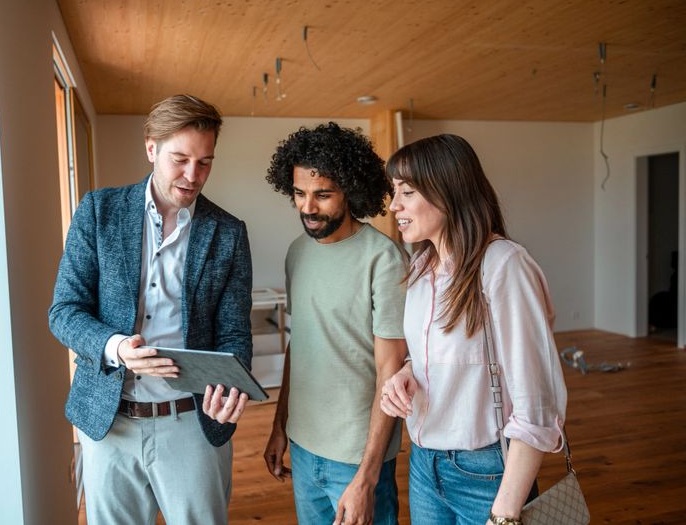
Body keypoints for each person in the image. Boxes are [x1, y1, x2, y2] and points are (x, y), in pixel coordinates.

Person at [49, 94, 253, 525]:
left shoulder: (229, 232)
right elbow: (64, 311)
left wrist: (229, 391)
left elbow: (234, 333)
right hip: (108, 423)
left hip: (193, 424)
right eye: (180, 159)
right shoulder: (98, 211)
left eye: (205, 162)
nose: (193, 175)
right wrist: (117, 346)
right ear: (150, 148)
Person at [379, 134, 567, 525]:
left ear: (447, 192)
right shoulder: (421, 268)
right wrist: (406, 373)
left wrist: (505, 513)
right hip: (423, 464)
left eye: (407, 192)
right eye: (394, 192)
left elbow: (538, 401)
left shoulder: (503, 265)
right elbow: (445, 353)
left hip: (486, 473)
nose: (394, 205)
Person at [263, 122, 408, 525]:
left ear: (351, 191)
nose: (308, 207)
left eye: (323, 195)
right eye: (299, 193)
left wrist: (367, 475)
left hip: (356, 458)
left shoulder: (384, 259)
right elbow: (301, 342)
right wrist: (280, 427)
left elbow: (390, 371)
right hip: (304, 447)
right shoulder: (297, 253)